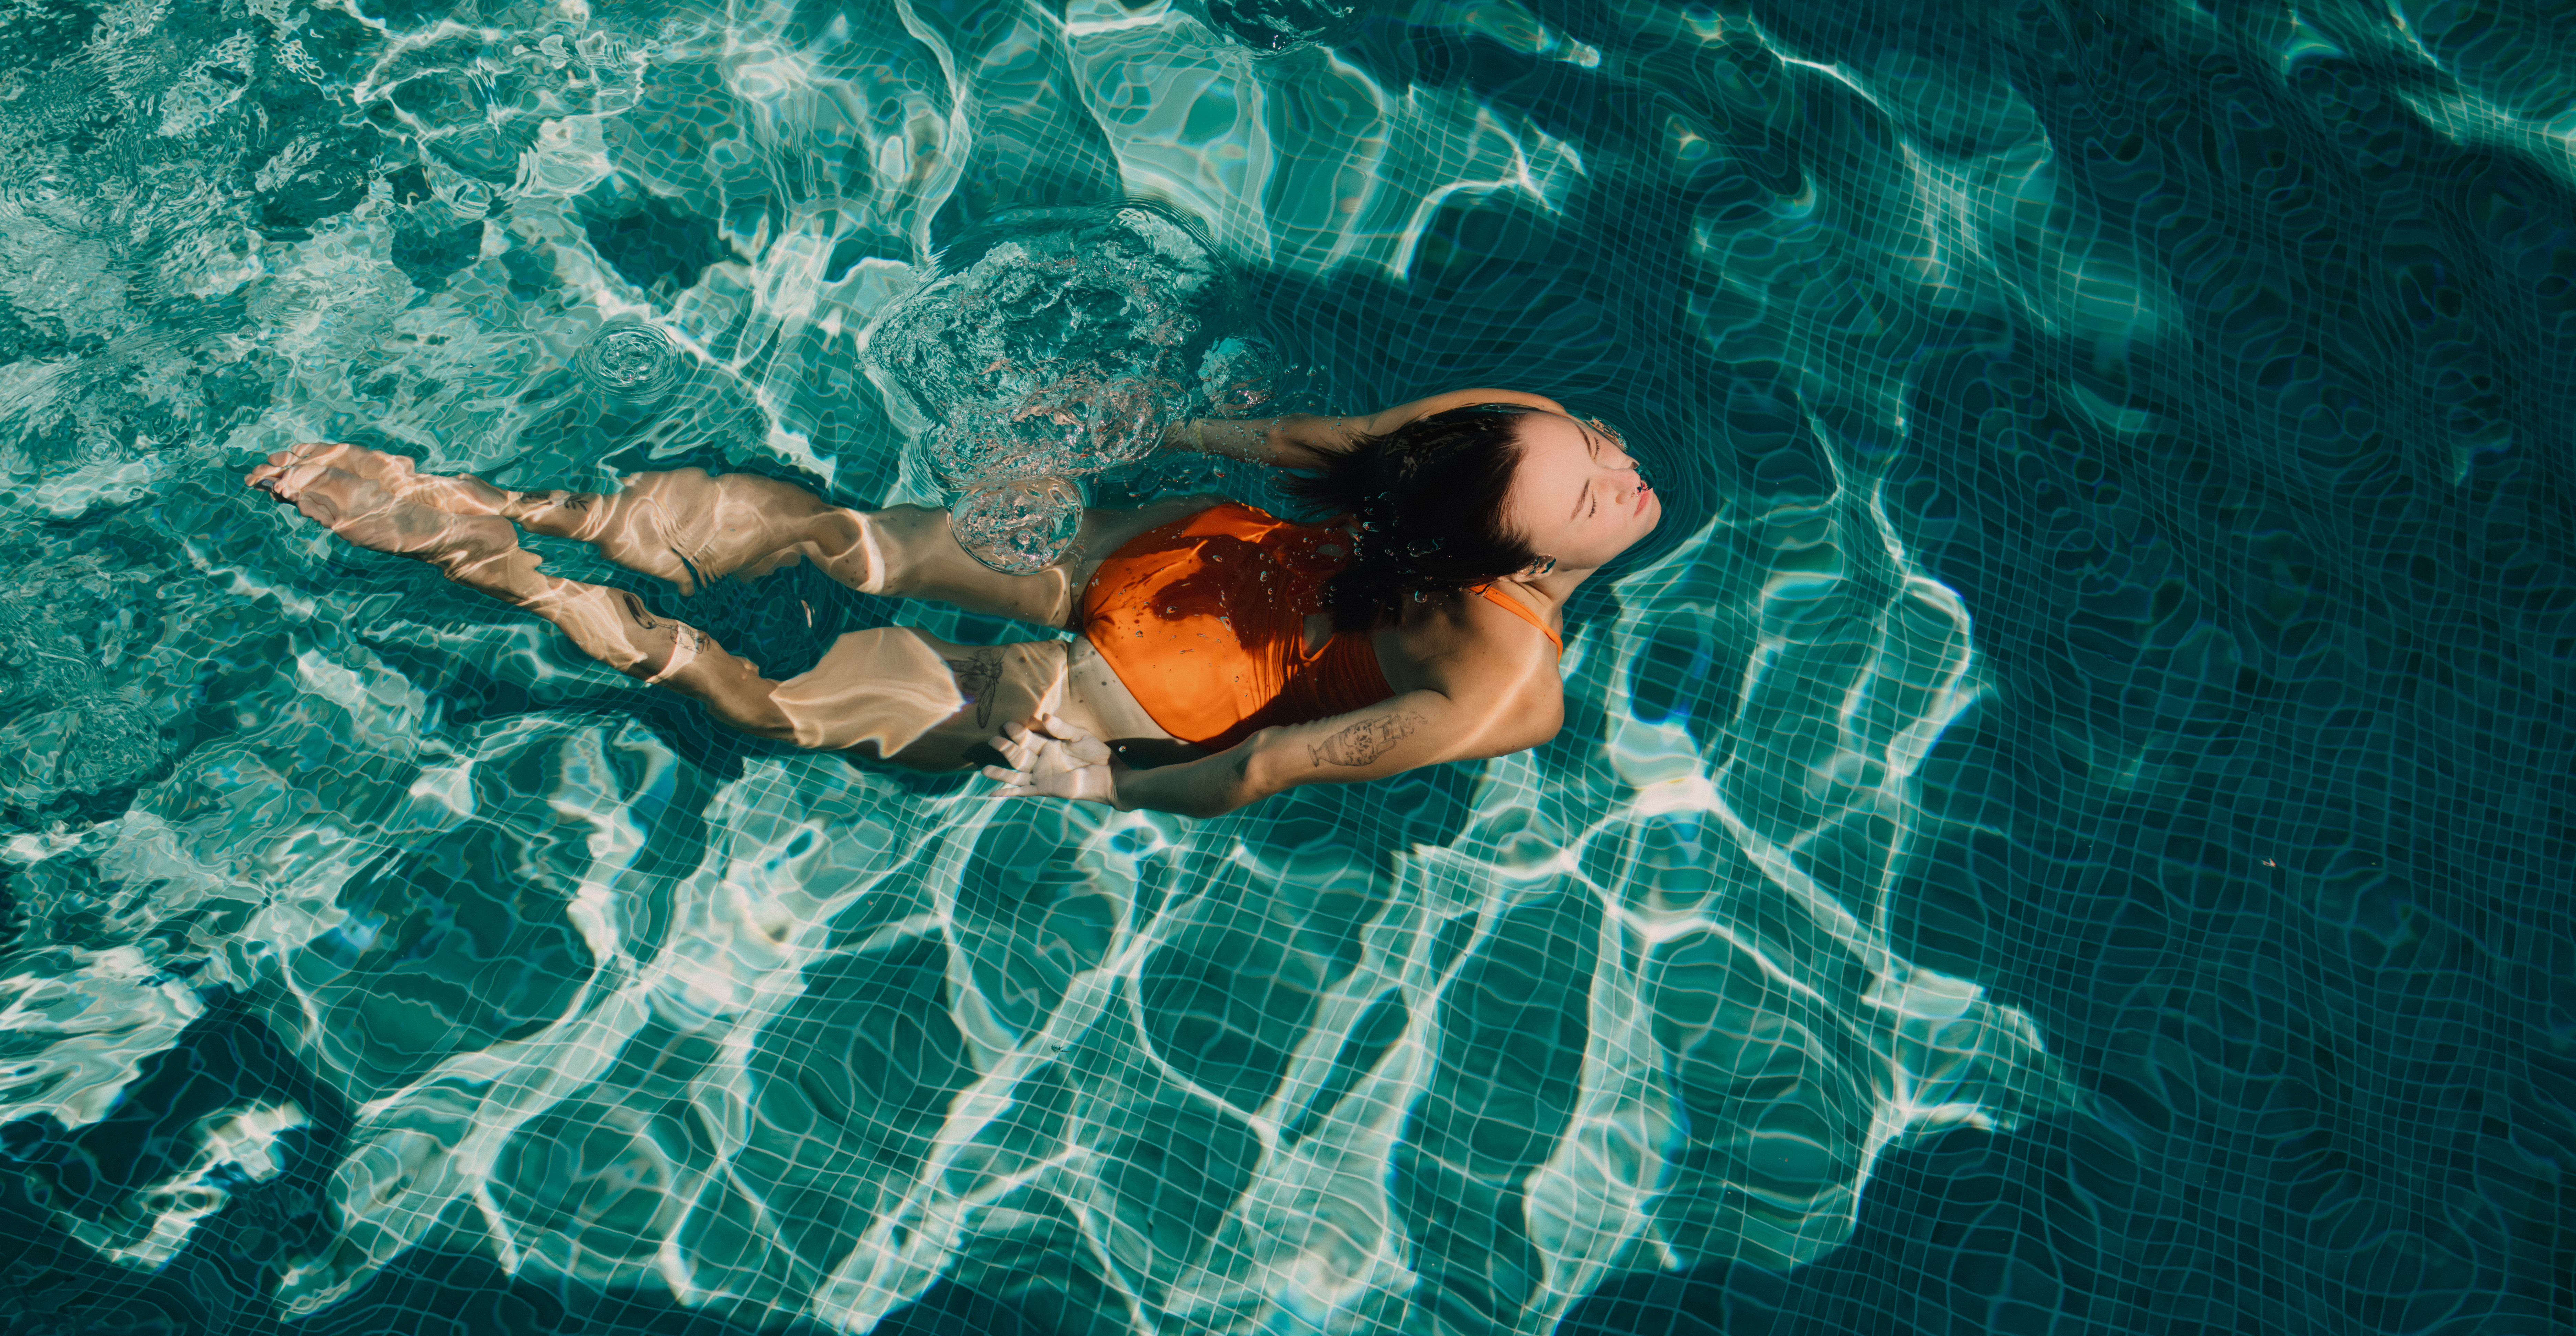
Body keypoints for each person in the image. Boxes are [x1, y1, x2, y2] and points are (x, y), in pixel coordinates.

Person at [242, 388, 1660, 816]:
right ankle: (533, 580)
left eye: (1594, 474)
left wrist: (1150, 435)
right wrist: (1087, 778)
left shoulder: (1505, 424)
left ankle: (514, 510)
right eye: (1595, 461)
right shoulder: (1506, 687)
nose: (1615, 464)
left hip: (1186, 551)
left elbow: (1319, 448)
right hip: (1166, 687)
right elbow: (1276, 759)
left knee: (839, 534)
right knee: (790, 713)